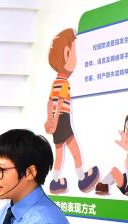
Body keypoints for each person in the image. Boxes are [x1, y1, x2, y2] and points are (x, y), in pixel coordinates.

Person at [44, 28, 99, 194]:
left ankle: (55, 182)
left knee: (59, 154)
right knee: (75, 151)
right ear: (67, 53)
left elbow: (50, 102)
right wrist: (55, 120)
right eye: (74, 52)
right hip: (63, 120)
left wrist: (50, 120)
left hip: (57, 121)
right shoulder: (65, 83)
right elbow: (60, 101)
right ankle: (82, 179)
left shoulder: (55, 82)